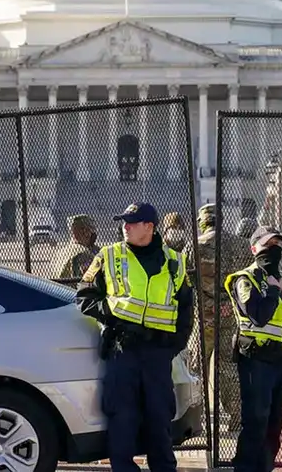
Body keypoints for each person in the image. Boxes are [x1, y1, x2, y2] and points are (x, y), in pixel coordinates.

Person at [75, 202, 194, 472]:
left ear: (149, 227)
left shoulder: (174, 261)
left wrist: (175, 345)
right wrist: (113, 316)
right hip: (123, 351)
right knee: (122, 419)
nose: (125, 227)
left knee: (159, 418)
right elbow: (84, 296)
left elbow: (186, 308)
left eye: (132, 222)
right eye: (124, 222)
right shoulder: (109, 255)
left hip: (157, 354)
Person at [225, 226, 282, 472]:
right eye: (268, 244)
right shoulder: (245, 279)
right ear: (254, 249)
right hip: (255, 361)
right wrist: (273, 288)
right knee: (256, 422)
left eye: (278, 245)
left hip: (278, 363)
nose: (274, 250)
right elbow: (259, 316)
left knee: (274, 425)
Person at [182, 203, 252, 431]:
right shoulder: (241, 245)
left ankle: (195, 418)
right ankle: (237, 416)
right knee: (229, 364)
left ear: (203, 221)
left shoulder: (194, 246)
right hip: (231, 313)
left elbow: (186, 279)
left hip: (205, 315)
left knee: (196, 367)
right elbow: (247, 279)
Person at [52, 214, 101, 283]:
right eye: (89, 229)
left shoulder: (61, 251)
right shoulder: (83, 254)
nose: (91, 232)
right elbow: (89, 282)